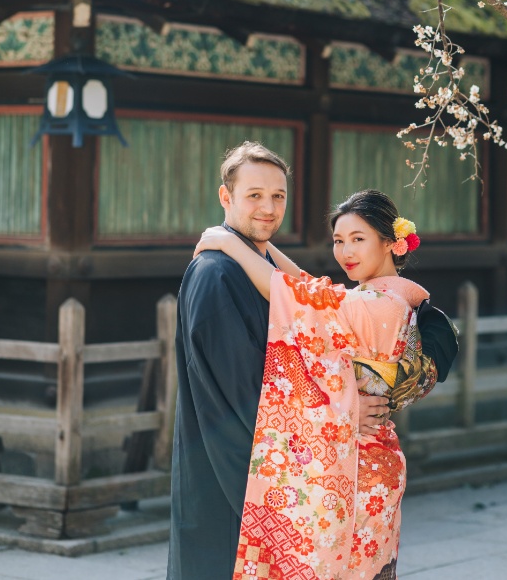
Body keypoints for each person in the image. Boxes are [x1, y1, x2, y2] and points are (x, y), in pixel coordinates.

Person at [194, 188, 458, 580]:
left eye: (358, 239)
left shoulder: (379, 305)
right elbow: (306, 287)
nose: (345, 252)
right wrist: (258, 246)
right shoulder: (378, 297)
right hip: (369, 458)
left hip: (355, 469)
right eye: (338, 240)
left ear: (391, 243)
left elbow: (293, 295)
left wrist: (227, 244)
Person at [166, 145, 390, 580]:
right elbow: (249, 388)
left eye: (279, 196)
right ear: (225, 197)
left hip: (269, 469)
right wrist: (344, 414)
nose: (269, 208)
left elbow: (312, 304)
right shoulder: (215, 274)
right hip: (232, 471)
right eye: (254, 195)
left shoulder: (255, 262)